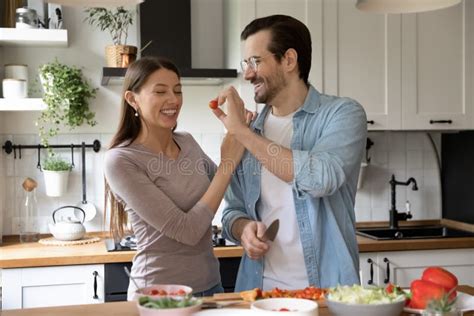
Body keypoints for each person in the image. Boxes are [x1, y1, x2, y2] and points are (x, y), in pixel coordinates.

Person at [211, 15, 367, 291]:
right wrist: (244, 229)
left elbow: (322, 178)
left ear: (289, 60)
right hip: (260, 294)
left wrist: (242, 134)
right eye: (246, 63)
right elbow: (231, 212)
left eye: (256, 62)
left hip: (328, 293)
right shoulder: (251, 130)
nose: (247, 74)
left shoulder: (342, 114)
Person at [103, 56, 250, 299]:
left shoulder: (187, 142)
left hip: (212, 287)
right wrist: (227, 162)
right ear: (132, 99)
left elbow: (232, 182)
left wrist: (242, 130)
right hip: (160, 296)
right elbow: (188, 230)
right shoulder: (122, 160)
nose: (173, 100)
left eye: (177, 90)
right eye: (160, 91)